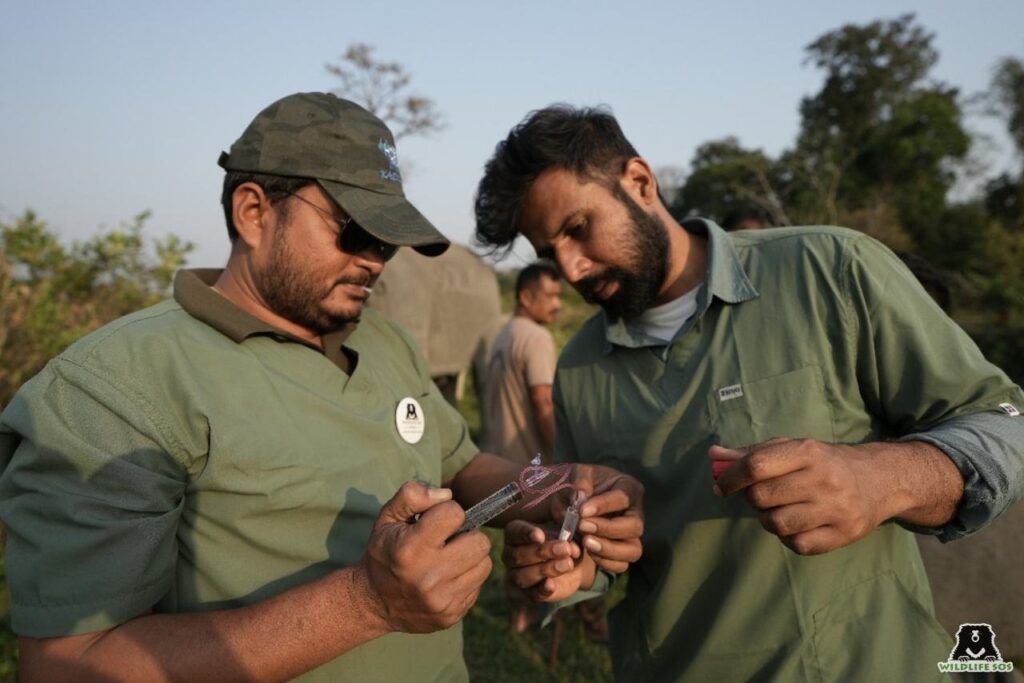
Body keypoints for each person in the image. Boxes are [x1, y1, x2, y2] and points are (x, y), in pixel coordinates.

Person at [0, 93, 643, 682]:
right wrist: (366, 603)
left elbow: (464, 464)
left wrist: (564, 490)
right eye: (355, 232)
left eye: (388, 241)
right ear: (253, 212)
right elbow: (68, 665)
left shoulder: (384, 342)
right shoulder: (117, 386)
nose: (373, 259)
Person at [473, 104, 1024, 682]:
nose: (571, 268)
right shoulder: (581, 366)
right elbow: (597, 533)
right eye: (548, 252)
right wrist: (573, 565)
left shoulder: (830, 271)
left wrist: (883, 479)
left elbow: (1004, 420)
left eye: (578, 229)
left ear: (639, 181)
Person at [485, 261, 562, 465]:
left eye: (558, 296)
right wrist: (566, 456)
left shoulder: (503, 335)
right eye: (550, 296)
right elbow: (543, 402)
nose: (557, 305)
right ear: (526, 298)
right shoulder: (537, 337)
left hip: (499, 465)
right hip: (531, 468)